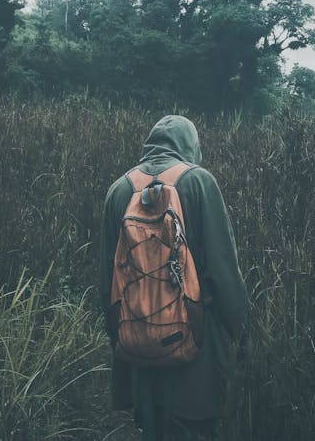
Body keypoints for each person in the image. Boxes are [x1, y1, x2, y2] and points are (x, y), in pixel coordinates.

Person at [99, 115, 248, 440]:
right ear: (190, 147)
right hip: (196, 351)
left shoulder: (119, 189)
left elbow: (107, 285)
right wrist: (244, 336)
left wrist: (123, 343)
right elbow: (223, 272)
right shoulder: (199, 182)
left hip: (137, 352)